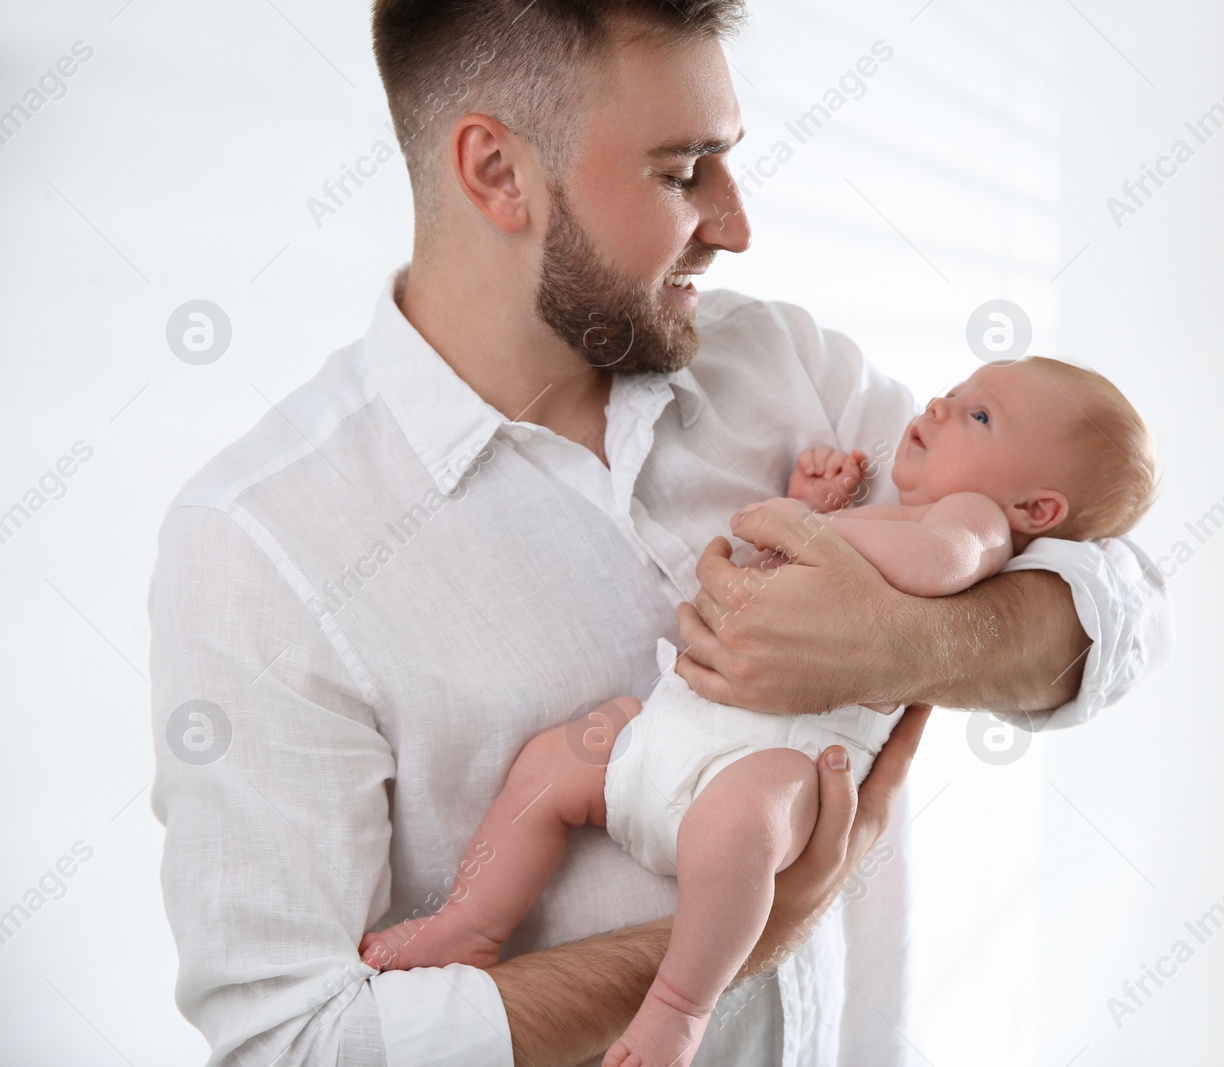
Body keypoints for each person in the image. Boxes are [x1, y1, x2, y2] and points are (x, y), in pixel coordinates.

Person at [148, 2, 1172, 1065]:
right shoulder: (261, 546)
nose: (735, 225)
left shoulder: (787, 365)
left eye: (726, 162)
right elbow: (295, 1042)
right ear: (496, 171)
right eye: (683, 172)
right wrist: (740, 938)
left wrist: (913, 644)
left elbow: (1117, 587)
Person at [354, 357, 1158, 1067]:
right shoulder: (893, 504)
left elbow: (937, 567)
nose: (941, 407)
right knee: (554, 761)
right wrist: (817, 505)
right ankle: (470, 919)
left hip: (775, 765)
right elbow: (804, 567)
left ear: (1038, 511)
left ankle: (680, 1003)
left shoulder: (974, 525)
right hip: (669, 733)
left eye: (980, 416)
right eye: (956, 392)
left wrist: (817, 526)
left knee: (737, 827)